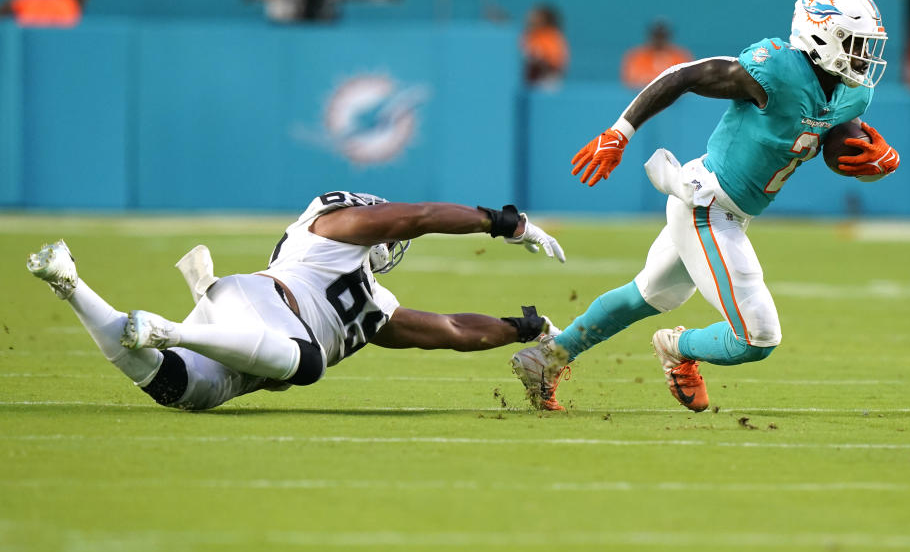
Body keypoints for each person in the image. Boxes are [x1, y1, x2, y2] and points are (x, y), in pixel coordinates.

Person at [512, 0, 900, 412]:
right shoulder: (777, 70)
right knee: (759, 336)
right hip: (708, 205)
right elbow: (684, 75)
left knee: (648, 295)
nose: (865, 56)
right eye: (857, 43)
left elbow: (839, 143)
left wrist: (879, 161)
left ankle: (546, 357)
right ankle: (678, 349)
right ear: (821, 35)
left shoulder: (853, 92)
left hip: (727, 210)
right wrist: (619, 132)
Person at [28, 192, 565, 411]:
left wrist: (521, 328)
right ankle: (170, 328)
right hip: (261, 303)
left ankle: (68, 283)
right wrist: (502, 223)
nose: (388, 243)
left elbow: (449, 329)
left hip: (249, 352)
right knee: (308, 364)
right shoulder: (330, 228)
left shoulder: (374, 307)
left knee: (172, 387)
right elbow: (417, 218)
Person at [620, 20, 693, 89]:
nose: (659, 40)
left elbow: (687, 80)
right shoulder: (637, 55)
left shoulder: (680, 55)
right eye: (657, 36)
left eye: (662, 36)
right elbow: (631, 82)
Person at [521, 4, 569, 86]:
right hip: (527, 82)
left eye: (536, 17)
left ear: (544, 19)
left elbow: (553, 64)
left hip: (546, 81)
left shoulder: (551, 37)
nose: (531, 19)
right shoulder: (529, 36)